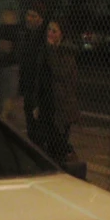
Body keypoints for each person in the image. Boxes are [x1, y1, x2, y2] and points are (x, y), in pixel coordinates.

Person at [43, 19, 80, 164]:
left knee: (60, 139)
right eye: (49, 30)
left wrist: (51, 50)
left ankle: (69, 159)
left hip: (63, 102)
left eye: (54, 31)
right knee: (51, 140)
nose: (50, 34)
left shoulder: (66, 52)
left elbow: (60, 73)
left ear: (62, 34)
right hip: (50, 100)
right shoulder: (48, 49)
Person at [16, 1, 48, 145]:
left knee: (39, 123)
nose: (29, 18)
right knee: (30, 120)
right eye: (28, 15)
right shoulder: (27, 34)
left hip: (40, 86)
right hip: (29, 85)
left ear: (40, 19)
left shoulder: (44, 37)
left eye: (33, 16)